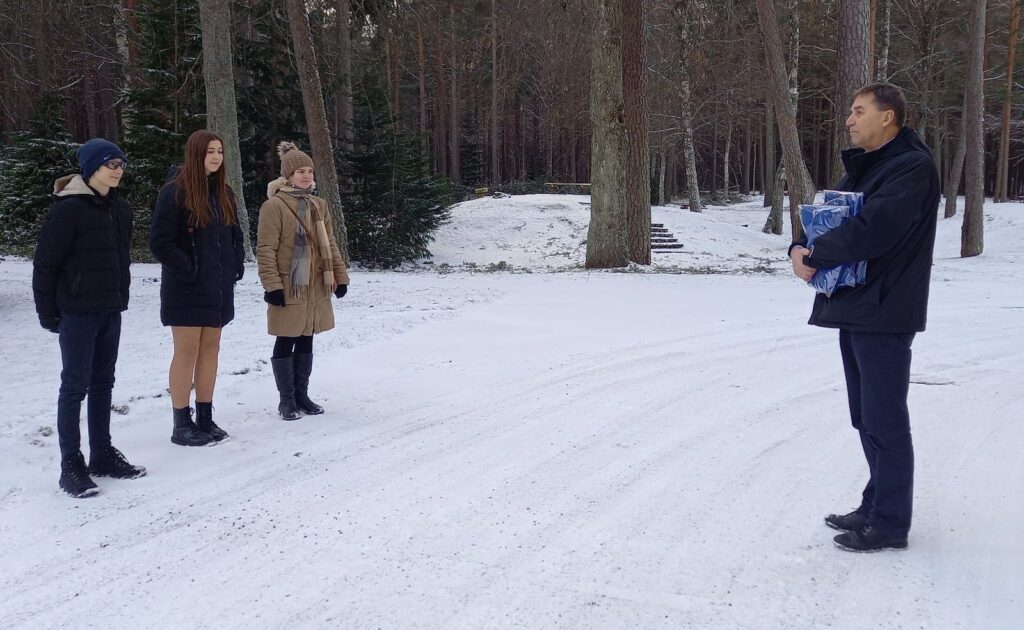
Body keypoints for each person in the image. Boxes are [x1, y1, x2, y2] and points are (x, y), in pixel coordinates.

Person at [789, 83, 940, 552]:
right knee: (864, 415)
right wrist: (797, 244)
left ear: (888, 117)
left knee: (884, 417)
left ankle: (891, 523)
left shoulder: (911, 168)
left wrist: (815, 252)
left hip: (886, 308)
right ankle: (876, 502)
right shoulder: (871, 166)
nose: (849, 121)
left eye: (858, 112)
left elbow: (875, 230)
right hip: (858, 304)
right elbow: (826, 214)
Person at [33, 138, 146, 498]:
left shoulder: (120, 209)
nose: (117, 170)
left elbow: (121, 260)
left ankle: (102, 454)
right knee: (74, 387)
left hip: (109, 310)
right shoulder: (68, 210)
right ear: (91, 167)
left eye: (121, 165)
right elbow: (46, 265)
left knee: (103, 384)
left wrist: (121, 298)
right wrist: (48, 312)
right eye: (110, 164)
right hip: (77, 311)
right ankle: (71, 464)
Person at [149, 130, 245, 446]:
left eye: (219, 151)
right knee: (186, 352)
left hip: (217, 288)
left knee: (211, 351)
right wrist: (189, 271)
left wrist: (234, 265)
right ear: (195, 154)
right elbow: (160, 242)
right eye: (209, 152)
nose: (216, 157)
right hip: (186, 289)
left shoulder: (225, 193)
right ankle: (181, 423)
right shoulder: (174, 192)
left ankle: (205, 416)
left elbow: (235, 235)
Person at [256, 142, 348, 420]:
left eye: (309, 171)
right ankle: (286, 400)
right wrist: (272, 286)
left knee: (307, 335)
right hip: (289, 285)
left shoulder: (319, 205)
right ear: (288, 176)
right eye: (300, 172)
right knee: (287, 337)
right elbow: (266, 249)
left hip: (316, 284)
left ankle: (301, 395)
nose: (306, 176)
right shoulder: (274, 206)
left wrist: (340, 277)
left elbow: (330, 243)